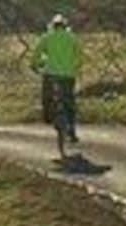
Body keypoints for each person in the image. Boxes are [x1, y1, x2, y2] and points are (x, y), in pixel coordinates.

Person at [32, 14, 83, 143]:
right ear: (65, 26)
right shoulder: (72, 38)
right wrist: (75, 68)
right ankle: (71, 128)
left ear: (53, 26)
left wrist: (34, 66)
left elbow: (37, 53)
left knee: (47, 97)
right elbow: (79, 56)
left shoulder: (47, 37)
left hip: (51, 74)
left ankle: (49, 116)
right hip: (68, 75)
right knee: (69, 100)